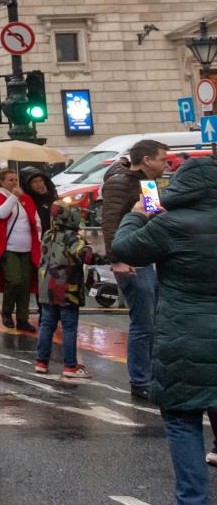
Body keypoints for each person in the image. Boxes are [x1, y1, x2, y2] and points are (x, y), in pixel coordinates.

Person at [111, 157, 217, 505]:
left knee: (183, 421)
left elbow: (124, 248)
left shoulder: (169, 225)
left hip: (183, 339)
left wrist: (138, 215)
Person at [101, 139, 170, 401]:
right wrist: (116, 259)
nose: (167, 163)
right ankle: (140, 380)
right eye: (163, 159)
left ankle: (150, 376)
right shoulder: (121, 182)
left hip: (146, 258)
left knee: (151, 322)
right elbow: (109, 222)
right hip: (132, 261)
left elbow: (154, 217)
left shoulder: (147, 184)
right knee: (143, 323)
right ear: (147, 160)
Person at [34, 203, 91, 380]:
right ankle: (70, 365)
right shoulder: (73, 238)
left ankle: (41, 362)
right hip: (67, 288)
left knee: (46, 324)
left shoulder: (47, 234)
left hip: (46, 286)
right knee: (69, 327)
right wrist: (87, 244)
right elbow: (85, 256)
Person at [0, 168, 40, 332]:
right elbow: (1, 213)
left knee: (25, 285)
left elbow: (35, 220)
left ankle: (23, 318)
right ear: (1, 182)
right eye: (10, 180)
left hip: (27, 247)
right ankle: (6, 312)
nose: (14, 183)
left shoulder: (26, 198)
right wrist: (14, 196)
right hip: (8, 248)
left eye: (16, 180)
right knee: (14, 280)